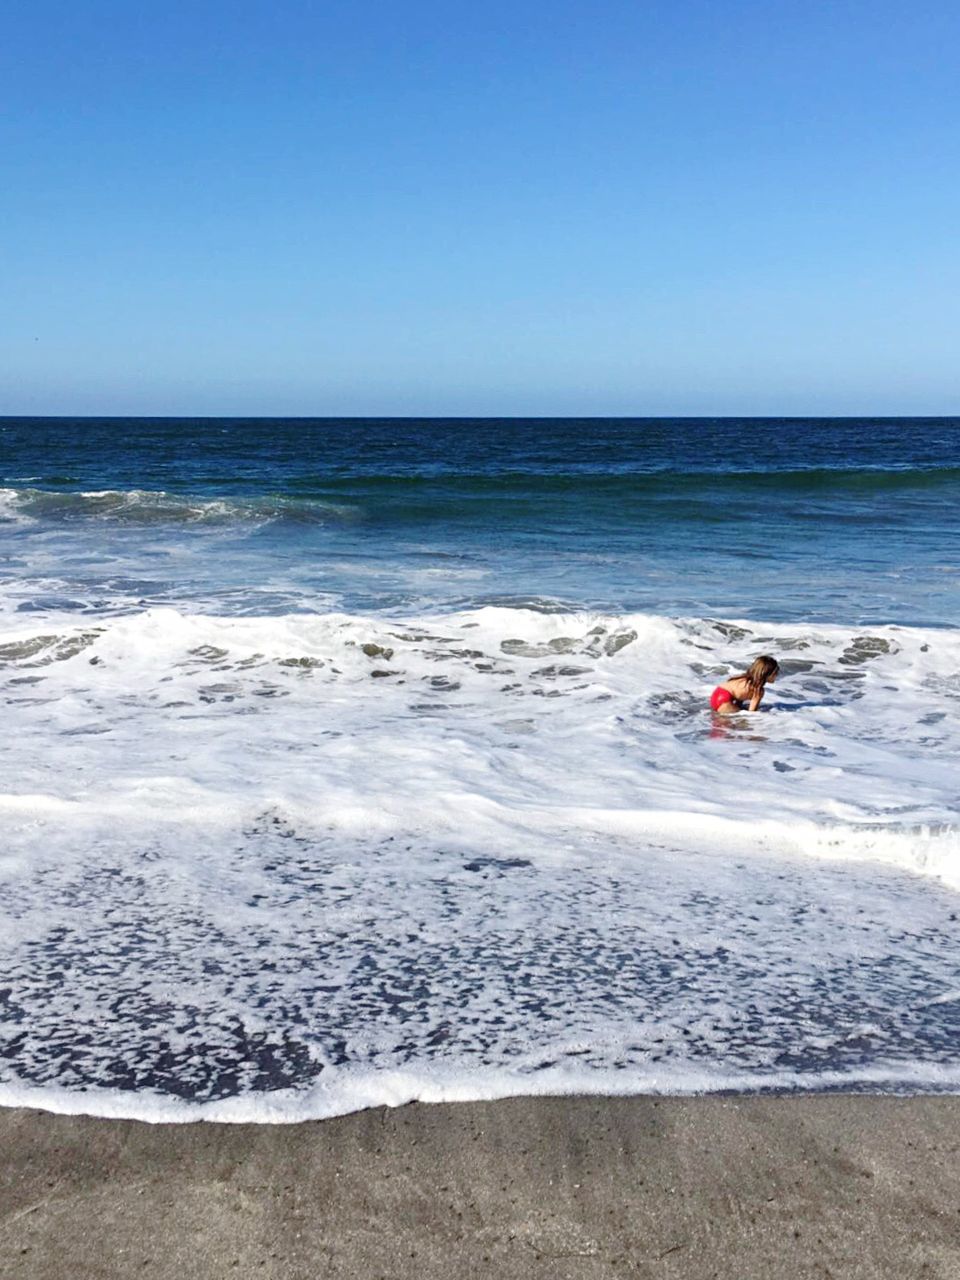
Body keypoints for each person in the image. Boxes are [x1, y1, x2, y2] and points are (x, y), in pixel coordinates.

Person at [710, 655, 779, 714]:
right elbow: (752, 712)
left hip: (717, 694)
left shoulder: (743, 679)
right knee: (741, 725)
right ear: (766, 674)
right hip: (725, 701)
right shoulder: (758, 690)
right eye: (775, 672)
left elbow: (740, 697)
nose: (777, 675)